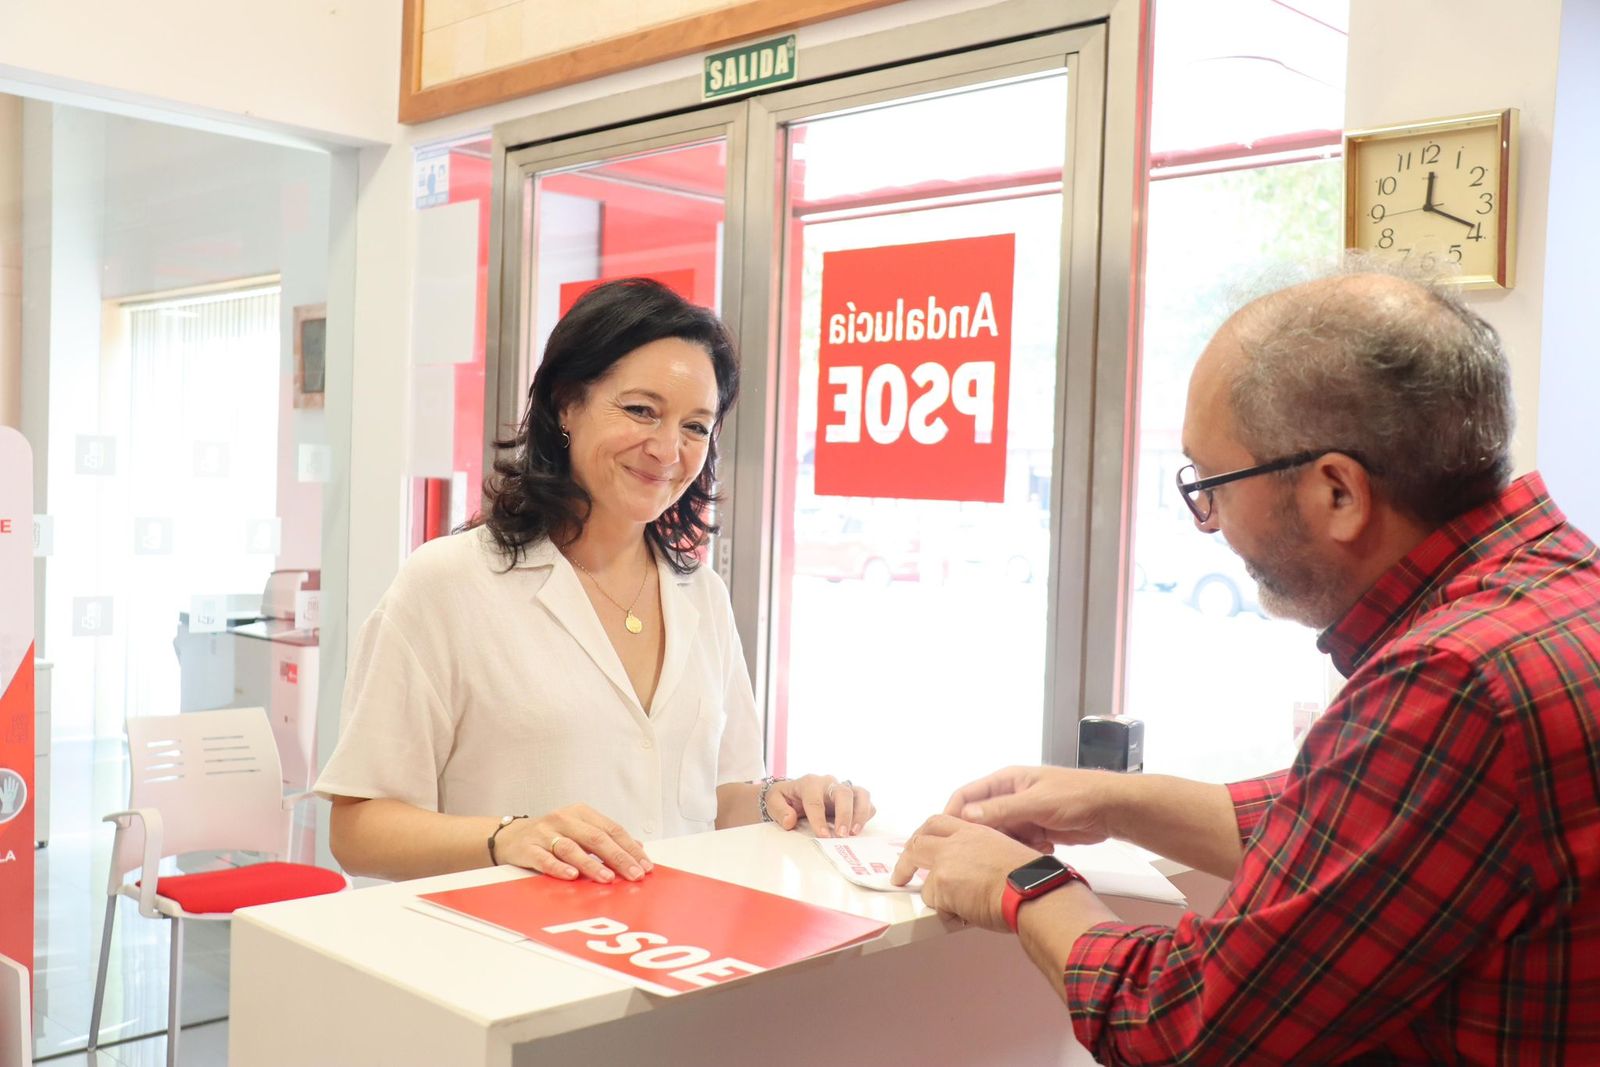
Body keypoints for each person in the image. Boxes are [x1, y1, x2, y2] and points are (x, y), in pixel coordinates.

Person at [893, 261, 1600, 1062]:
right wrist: (1113, 799)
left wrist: (1023, 885)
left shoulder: (1452, 680)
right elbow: (1366, 829)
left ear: (1339, 491)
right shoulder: (1555, 594)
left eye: (1214, 485)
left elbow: (1187, 1026)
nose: (1208, 522)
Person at [318, 278, 873, 884]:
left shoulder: (700, 595)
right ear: (566, 404)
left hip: (674, 951)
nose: (667, 449)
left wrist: (782, 800)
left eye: (695, 426)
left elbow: (717, 797)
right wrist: (508, 836)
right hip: (506, 954)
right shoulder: (449, 582)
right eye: (641, 410)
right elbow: (359, 828)